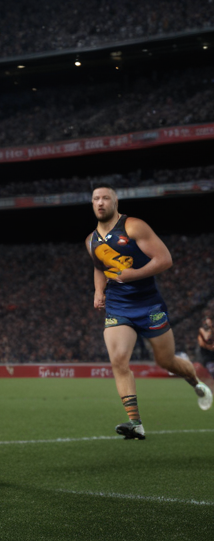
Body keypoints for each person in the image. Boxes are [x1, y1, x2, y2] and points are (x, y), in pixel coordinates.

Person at [88, 186, 213, 438]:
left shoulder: (133, 226)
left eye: (105, 198)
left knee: (166, 361)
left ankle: (196, 384)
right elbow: (100, 267)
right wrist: (98, 291)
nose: (100, 203)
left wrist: (134, 274)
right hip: (118, 305)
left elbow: (165, 259)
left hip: (148, 304)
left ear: (115, 202)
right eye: (95, 199)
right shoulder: (91, 240)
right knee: (118, 359)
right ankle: (135, 423)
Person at [198, 315, 214, 385]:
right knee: (212, 370)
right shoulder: (202, 331)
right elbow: (206, 340)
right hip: (207, 356)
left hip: (211, 354)